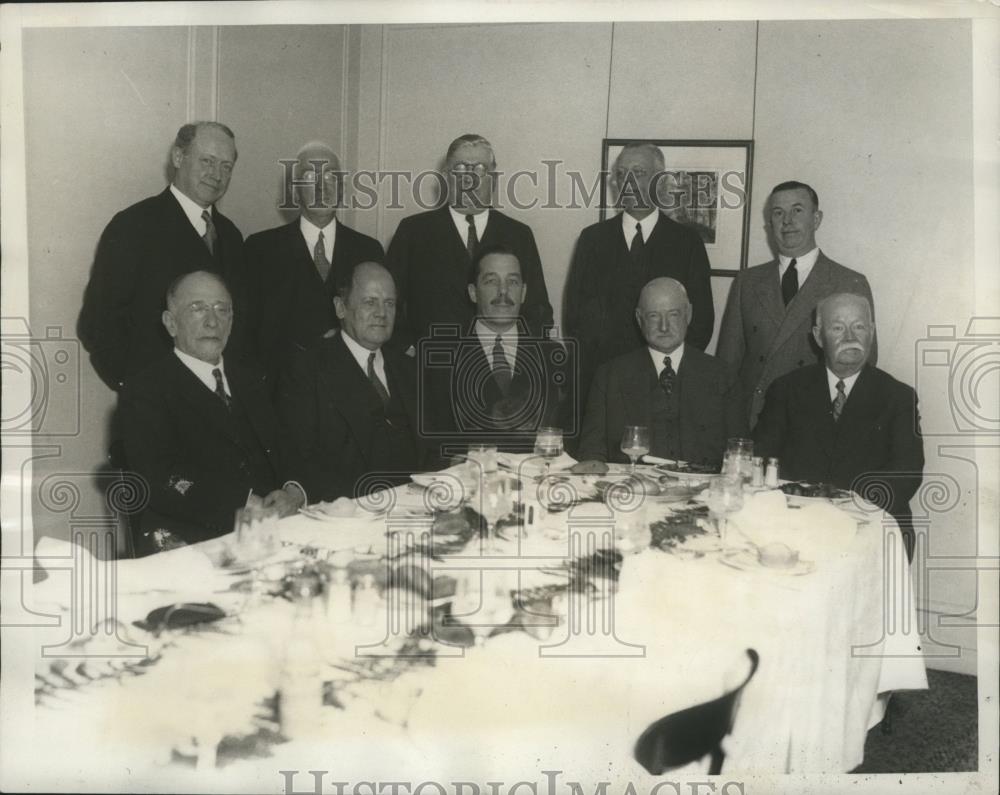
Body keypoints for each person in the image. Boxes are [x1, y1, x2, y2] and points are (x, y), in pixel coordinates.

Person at [118, 271, 305, 554]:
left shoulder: (252, 380)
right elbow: (162, 478)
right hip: (187, 539)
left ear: (232, 321)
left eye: (222, 309)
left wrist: (294, 490)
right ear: (171, 323)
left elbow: (287, 448)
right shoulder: (145, 390)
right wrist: (244, 503)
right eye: (198, 309)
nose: (212, 321)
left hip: (268, 532)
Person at [753, 292, 923, 560]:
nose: (850, 337)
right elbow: (761, 461)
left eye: (859, 327)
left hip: (871, 527)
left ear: (872, 332)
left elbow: (907, 474)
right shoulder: (786, 390)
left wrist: (842, 510)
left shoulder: (898, 397)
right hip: (797, 523)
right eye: (838, 328)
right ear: (818, 336)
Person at [79, 121, 247, 391]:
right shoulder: (133, 225)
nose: (216, 174)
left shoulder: (231, 236)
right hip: (157, 399)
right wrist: (136, 389)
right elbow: (97, 324)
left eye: (226, 166)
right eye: (207, 161)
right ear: (178, 157)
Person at [564, 142, 714, 417]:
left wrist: (665, 371)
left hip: (664, 387)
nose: (628, 182)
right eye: (621, 174)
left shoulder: (687, 242)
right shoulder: (592, 240)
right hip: (602, 388)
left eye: (639, 173)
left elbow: (700, 323)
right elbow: (575, 320)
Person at [716, 180, 876, 428]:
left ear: (816, 219)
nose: (787, 221)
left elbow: (864, 363)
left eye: (797, 210)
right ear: (770, 224)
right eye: (778, 213)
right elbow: (726, 366)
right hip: (754, 420)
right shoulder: (747, 282)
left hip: (815, 421)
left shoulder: (849, 282)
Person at [279, 262, 435, 501]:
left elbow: (431, 450)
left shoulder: (409, 368)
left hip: (416, 506)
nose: (382, 313)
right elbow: (299, 458)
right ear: (340, 307)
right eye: (370, 302)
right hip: (347, 511)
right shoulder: (308, 369)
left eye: (389, 303)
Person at [386, 133, 554, 350]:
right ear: (445, 177)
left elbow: (538, 312)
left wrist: (514, 357)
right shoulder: (413, 232)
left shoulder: (519, 235)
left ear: (494, 178)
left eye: (480, 169)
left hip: (498, 364)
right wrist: (409, 350)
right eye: (460, 169)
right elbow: (387, 304)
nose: (469, 179)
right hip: (429, 364)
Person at [244, 141, 384, 386]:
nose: (322, 186)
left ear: (341, 188)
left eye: (330, 177)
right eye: (310, 177)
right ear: (294, 191)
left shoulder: (368, 250)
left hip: (351, 388)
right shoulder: (260, 249)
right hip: (281, 391)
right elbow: (245, 332)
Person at [577, 277, 744, 468]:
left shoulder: (723, 376)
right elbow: (591, 454)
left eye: (673, 314)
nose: (664, 327)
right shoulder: (610, 376)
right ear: (639, 319)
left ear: (688, 314)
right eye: (654, 316)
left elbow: (740, 455)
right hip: (633, 484)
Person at [422, 244, 572, 451]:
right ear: (473, 292)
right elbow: (429, 443)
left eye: (513, 281)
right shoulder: (440, 358)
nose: (503, 291)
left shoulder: (552, 355)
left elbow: (568, 435)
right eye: (491, 281)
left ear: (523, 292)